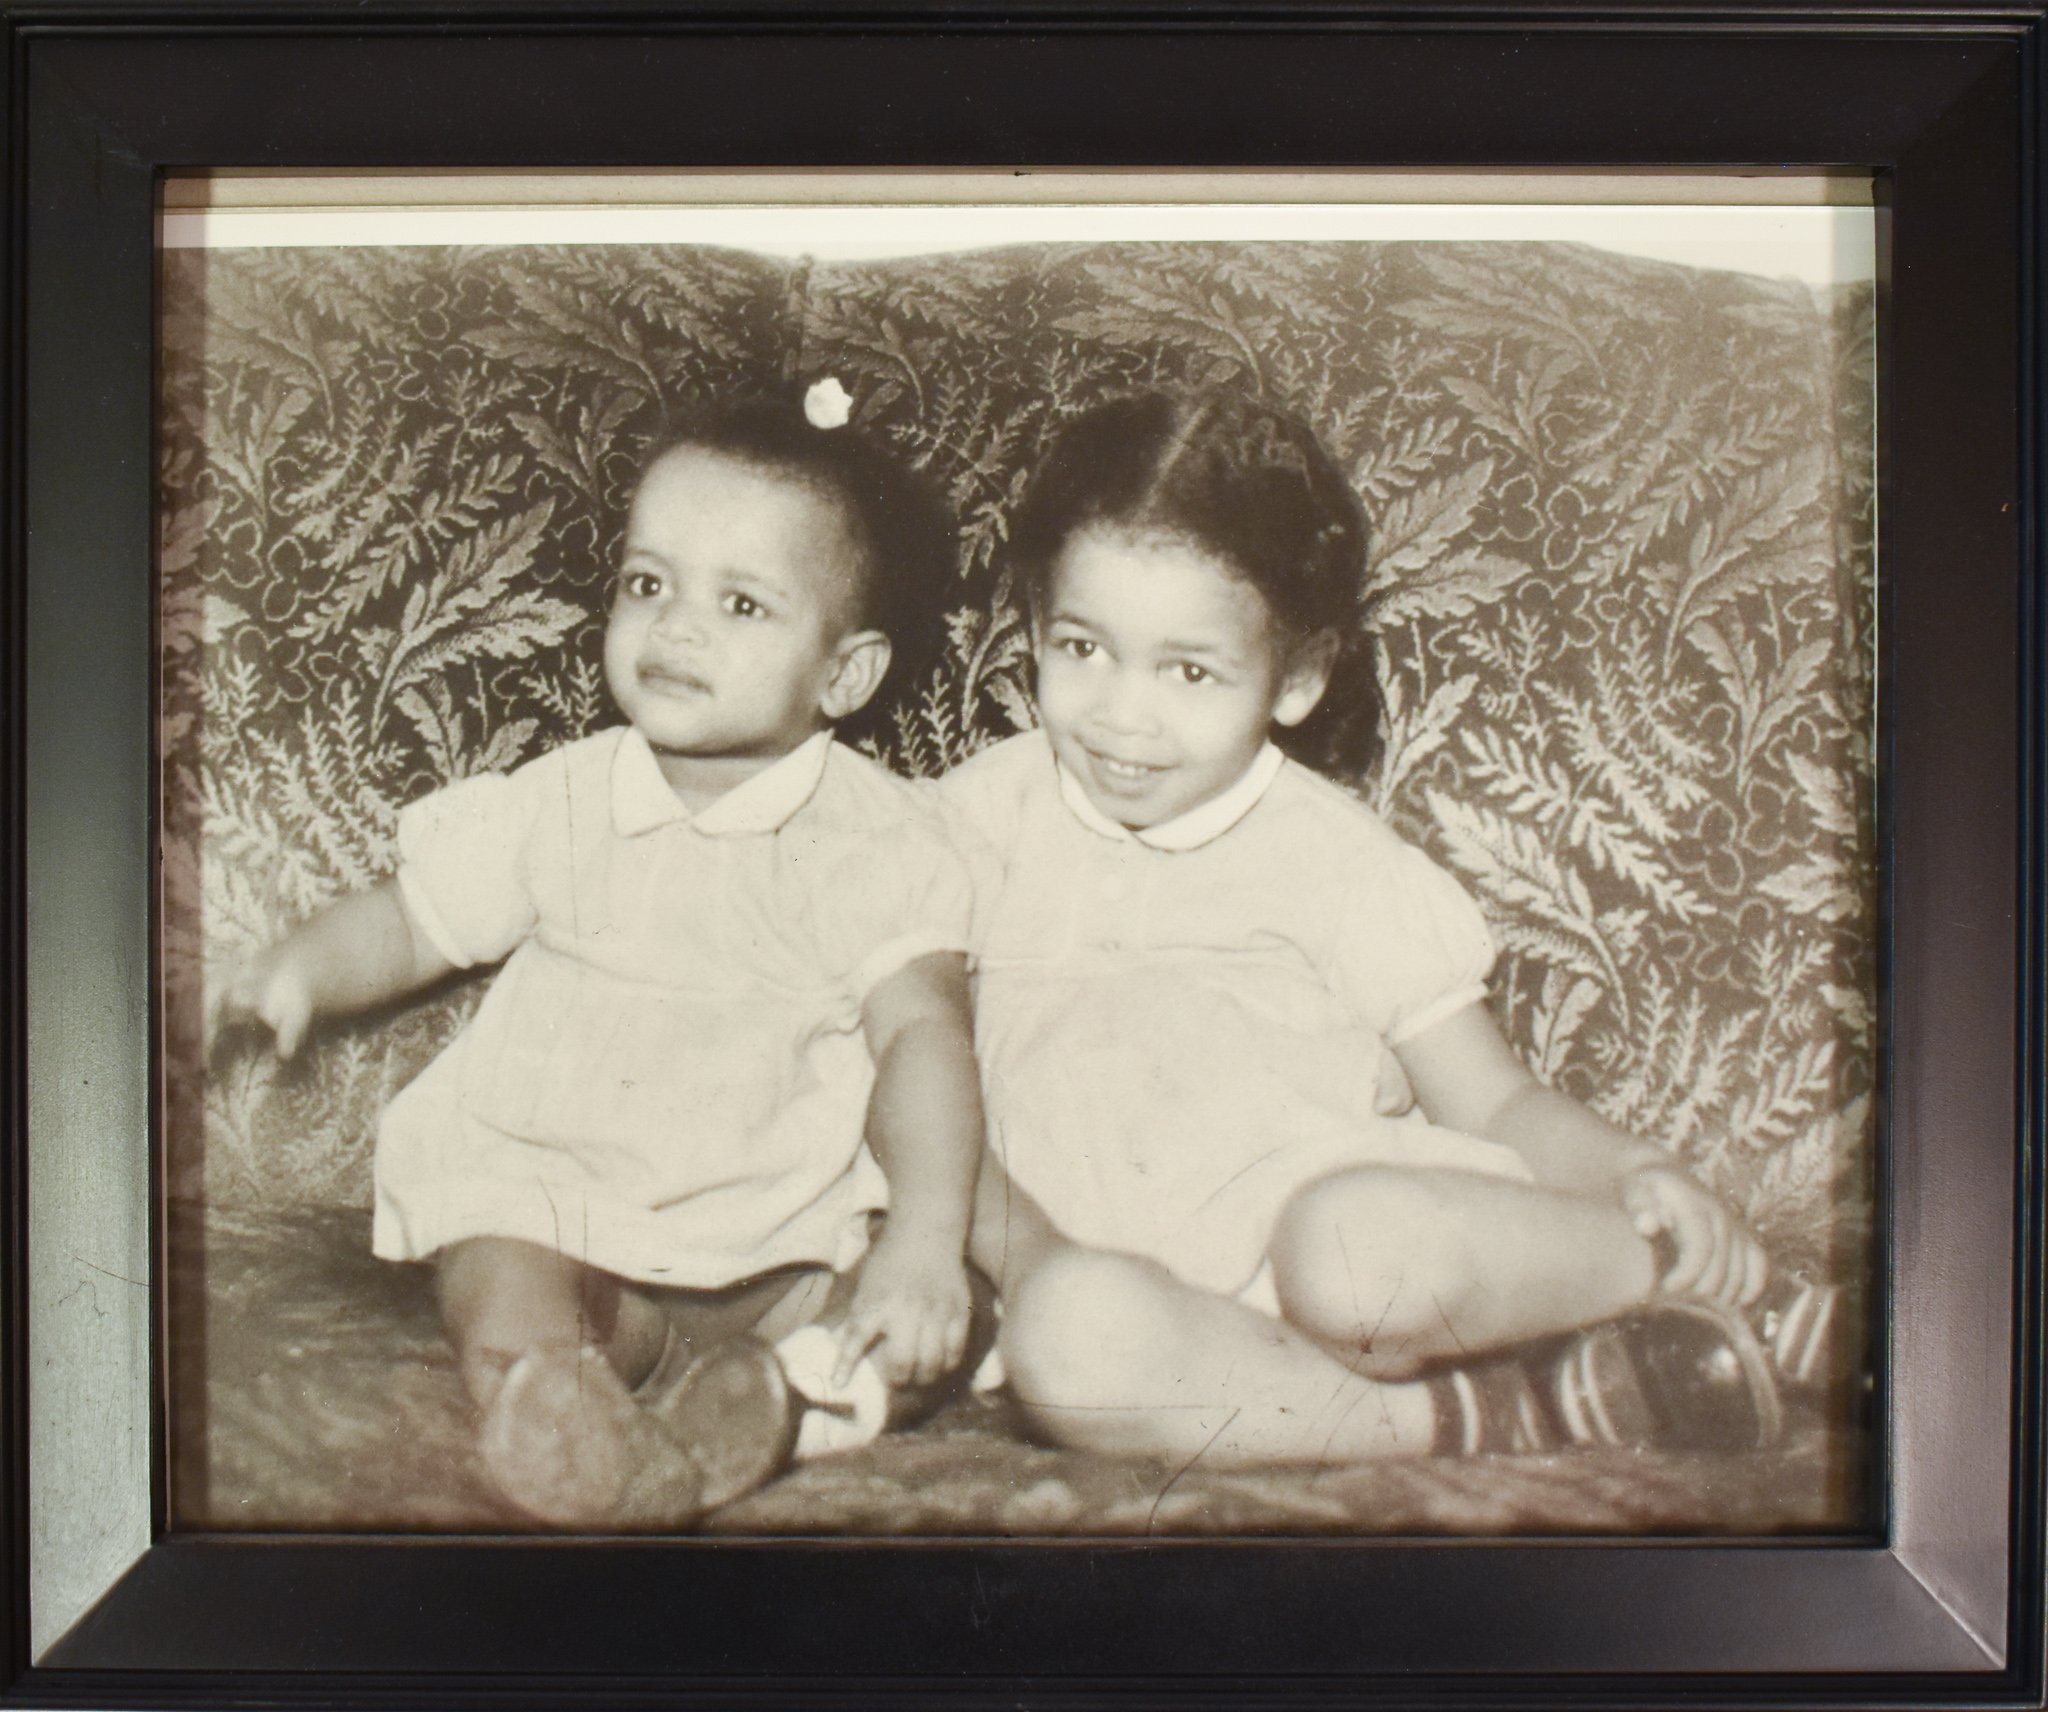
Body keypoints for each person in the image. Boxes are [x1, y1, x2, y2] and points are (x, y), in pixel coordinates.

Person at [944, 389, 1835, 1469]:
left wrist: (1635, 1172)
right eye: (1080, 645)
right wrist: (1022, 1257)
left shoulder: (1335, 861)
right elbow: (917, 1090)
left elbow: (1495, 1097)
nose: (1121, 714)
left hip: (1351, 1268)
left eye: (1188, 670)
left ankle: (1697, 1278)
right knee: (1065, 1332)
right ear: (1032, 625)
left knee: (1351, 1252)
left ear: (1299, 676)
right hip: (1158, 1324)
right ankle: (1487, 1417)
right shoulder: (960, 830)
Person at [219, 386, 988, 1526]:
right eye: (647, 583)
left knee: (940, 1309)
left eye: (738, 602)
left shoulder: (875, 839)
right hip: (567, 1216)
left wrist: (922, 1238)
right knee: (493, 1260)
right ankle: (560, 1404)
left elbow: (924, 1034)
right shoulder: (561, 799)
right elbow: (418, 915)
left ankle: (803, 1394)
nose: (674, 627)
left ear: (844, 673)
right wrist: (300, 967)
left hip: (776, 1240)